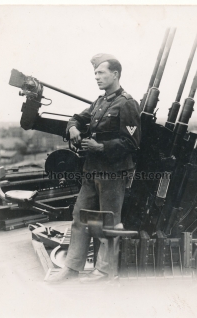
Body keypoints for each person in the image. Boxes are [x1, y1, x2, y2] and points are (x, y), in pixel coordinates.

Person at [47, 53, 141, 283]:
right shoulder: (100, 102)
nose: (96, 77)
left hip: (113, 173)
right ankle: (72, 267)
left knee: (108, 221)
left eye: (101, 73)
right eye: (95, 73)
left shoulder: (127, 104)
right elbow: (77, 118)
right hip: (92, 171)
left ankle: (105, 270)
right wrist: (72, 128)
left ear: (115, 74)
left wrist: (100, 146)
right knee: (80, 217)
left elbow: (133, 143)